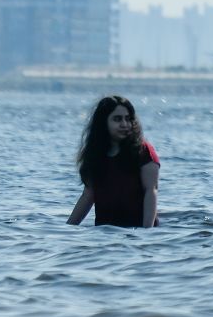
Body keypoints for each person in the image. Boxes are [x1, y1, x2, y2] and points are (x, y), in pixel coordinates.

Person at [67, 95, 160, 227]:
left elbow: (151, 191)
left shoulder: (144, 152)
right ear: (103, 123)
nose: (124, 124)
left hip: (136, 232)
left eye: (128, 119)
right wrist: (68, 229)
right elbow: (88, 195)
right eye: (117, 119)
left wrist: (147, 233)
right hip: (103, 234)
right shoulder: (95, 155)